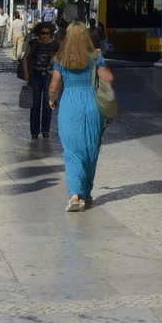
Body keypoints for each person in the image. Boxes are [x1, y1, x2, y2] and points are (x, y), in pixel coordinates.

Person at [49, 22, 113, 211]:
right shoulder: (95, 57)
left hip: (70, 105)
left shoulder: (61, 58)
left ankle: (75, 195)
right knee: (91, 149)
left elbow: (54, 86)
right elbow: (109, 79)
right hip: (92, 104)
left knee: (72, 151)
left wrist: (51, 100)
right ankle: (86, 193)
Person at [20, 22, 59, 139]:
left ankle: (46, 130)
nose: (45, 36)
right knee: (35, 104)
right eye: (42, 33)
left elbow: (60, 60)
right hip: (35, 77)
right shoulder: (34, 43)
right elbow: (24, 58)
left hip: (49, 77)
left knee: (48, 103)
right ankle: (34, 131)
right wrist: (26, 73)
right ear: (38, 33)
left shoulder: (55, 45)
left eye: (47, 33)